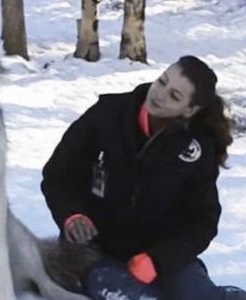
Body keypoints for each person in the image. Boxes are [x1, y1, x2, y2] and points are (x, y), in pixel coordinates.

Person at [41, 56, 246, 300]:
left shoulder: (196, 148)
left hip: (162, 256)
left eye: (174, 96)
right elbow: (58, 174)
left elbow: (203, 220)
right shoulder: (107, 115)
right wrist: (71, 214)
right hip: (95, 252)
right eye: (162, 81)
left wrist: (159, 260)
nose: (159, 94)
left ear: (189, 110)